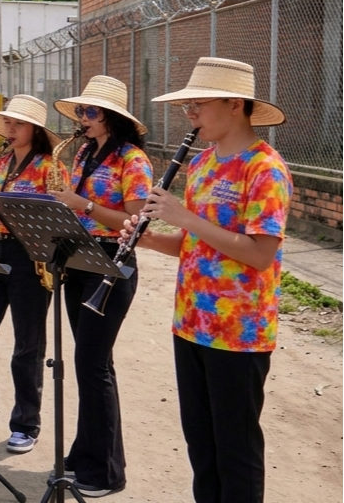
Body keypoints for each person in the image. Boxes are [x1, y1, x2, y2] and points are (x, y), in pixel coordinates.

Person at [132, 57, 290, 503]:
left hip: (239, 334)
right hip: (190, 324)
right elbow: (192, 243)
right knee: (202, 448)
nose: (191, 115)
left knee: (235, 451)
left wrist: (183, 216)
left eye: (198, 105)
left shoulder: (265, 169)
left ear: (235, 104)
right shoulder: (201, 164)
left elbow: (261, 255)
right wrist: (144, 241)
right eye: (189, 107)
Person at [48, 75, 154, 498]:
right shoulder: (86, 153)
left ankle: (108, 472)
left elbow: (135, 223)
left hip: (112, 264)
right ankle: (86, 451)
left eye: (89, 112)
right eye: (80, 111)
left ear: (111, 117)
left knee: (94, 367)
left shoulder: (133, 160)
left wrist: (83, 205)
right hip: (78, 260)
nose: (81, 119)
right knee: (88, 365)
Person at [0, 95, 69, 454]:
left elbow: (59, 223)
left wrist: (12, 219)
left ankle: (25, 424)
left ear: (35, 128)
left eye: (17, 124)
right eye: (8, 123)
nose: (9, 129)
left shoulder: (53, 166)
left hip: (30, 260)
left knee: (27, 348)